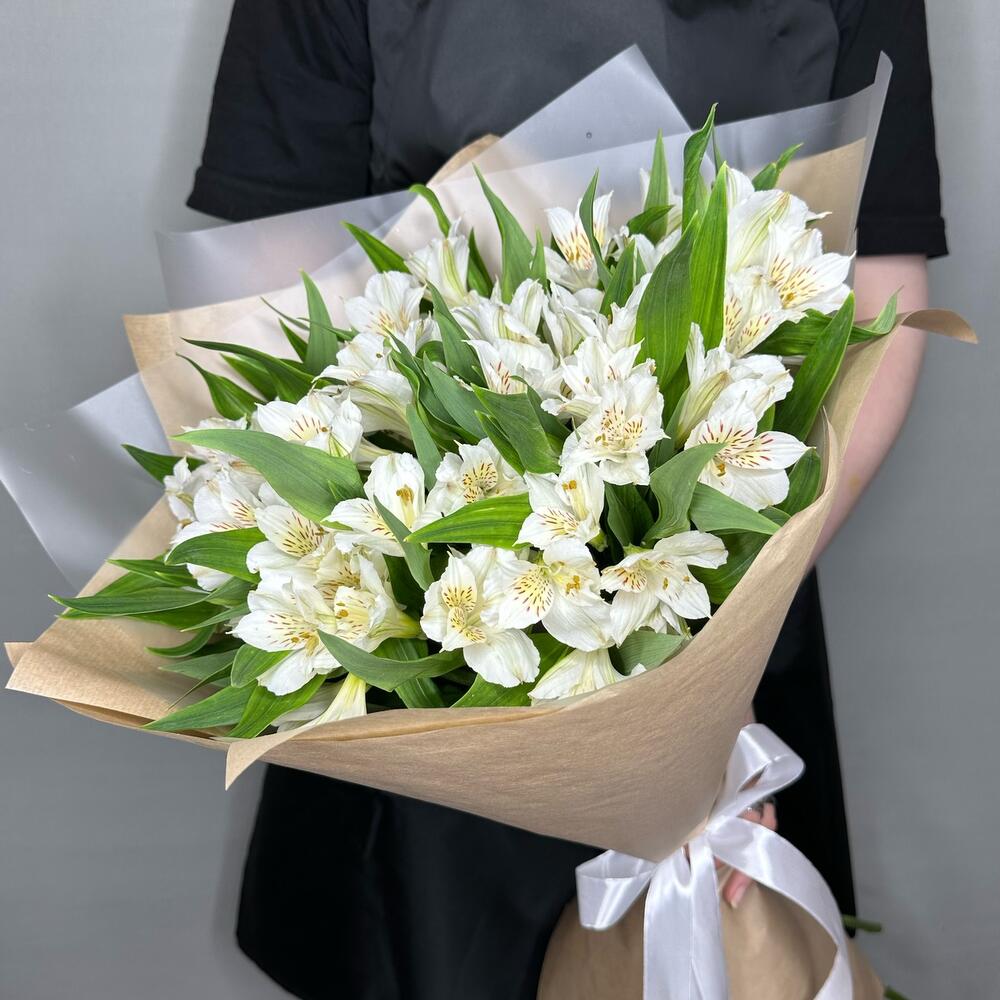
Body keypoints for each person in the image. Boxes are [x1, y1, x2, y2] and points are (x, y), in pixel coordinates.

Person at [187, 2, 946, 997]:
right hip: (421, 623)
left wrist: (703, 660)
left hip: (728, 584)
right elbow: (273, 279)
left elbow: (879, 289)